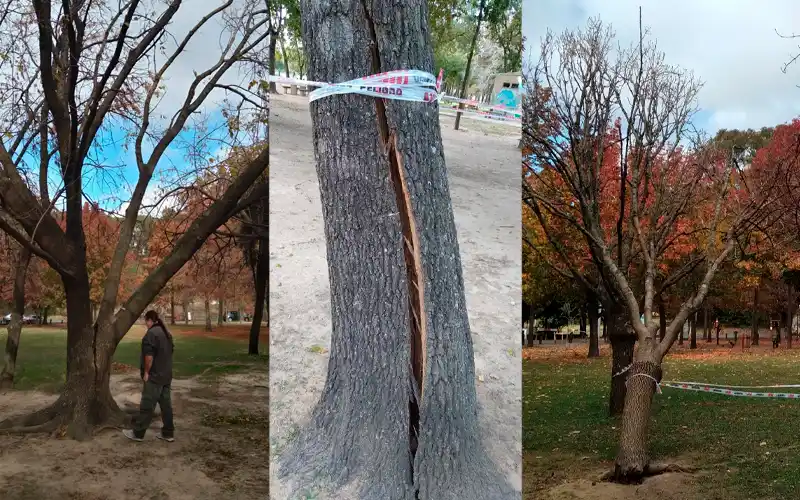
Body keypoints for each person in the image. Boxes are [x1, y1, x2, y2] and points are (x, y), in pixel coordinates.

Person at [123, 310, 175, 442]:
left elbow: (149, 357)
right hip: (166, 375)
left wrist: (146, 372)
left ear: (149, 320)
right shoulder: (166, 333)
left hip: (154, 376)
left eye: (145, 321)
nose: (145, 324)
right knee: (166, 406)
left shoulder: (151, 334)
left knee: (147, 405)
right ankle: (168, 433)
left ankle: (138, 433)